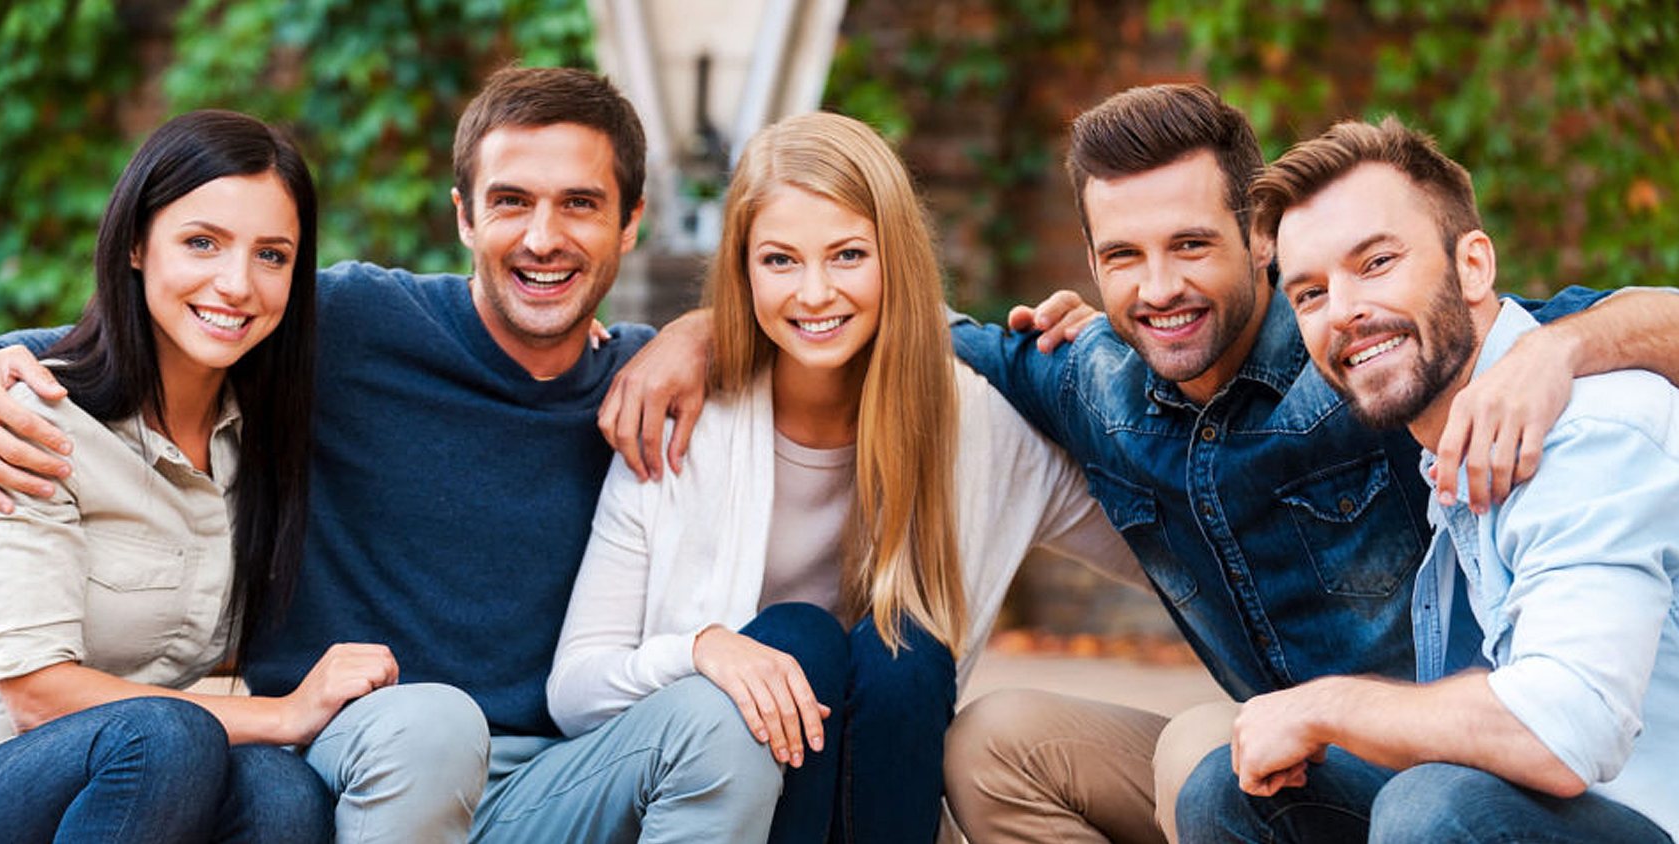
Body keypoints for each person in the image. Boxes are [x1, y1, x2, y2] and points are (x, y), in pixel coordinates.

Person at [596, 84, 1679, 843]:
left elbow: (1603, 324)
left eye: (1191, 245)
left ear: (1257, 242)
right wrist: (705, 332)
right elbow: (881, 312)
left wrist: (1567, 348)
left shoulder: (1366, 352)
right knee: (996, 742)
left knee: (1224, 771)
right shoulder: (1090, 379)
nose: (1158, 286)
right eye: (1122, 256)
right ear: (1089, 262)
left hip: (1463, 765)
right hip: (1304, 752)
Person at [0, 67, 787, 843]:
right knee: (413, 731)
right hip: (361, 745)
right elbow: (128, 336)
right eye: (512, 200)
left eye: (581, 204)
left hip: (551, 776)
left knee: (725, 726)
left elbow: (889, 335)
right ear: (463, 216)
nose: (543, 237)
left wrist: (712, 328)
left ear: (631, 223)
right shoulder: (348, 324)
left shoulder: (649, 376)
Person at [546, 112, 1137, 844]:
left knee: (908, 651)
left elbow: (1164, 548)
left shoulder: (976, 421)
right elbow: (574, 689)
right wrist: (703, 648)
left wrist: (1113, 373)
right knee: (798, 638)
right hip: (705, 800)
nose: (815, 293)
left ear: (896, 257)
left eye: (848, 254)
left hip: (877, 794)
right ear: (742, 271)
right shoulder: (683, 421)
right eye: (780, 261)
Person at [1176, 116, 1679, 844]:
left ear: (1473, 266)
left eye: (1376, 263)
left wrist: (1325, 706)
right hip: (1561, 814)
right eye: (1310, 294)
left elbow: (1567, 732)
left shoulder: (1589, 429)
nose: (1344, 311)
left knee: (1435, 809)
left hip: (1648, 816)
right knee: (1233, 790)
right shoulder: (1443, 445)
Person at [0, 110, 371, 843]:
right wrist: (285, 713)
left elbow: (471, 318)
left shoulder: (255, 438)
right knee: (165, 737)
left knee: (282, 794)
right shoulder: (30, 420)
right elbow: (37, 697)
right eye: (201, 242)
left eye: (272, 255)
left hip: (136, 791)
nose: (236, 284)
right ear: (137, 244)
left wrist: (599, 344)